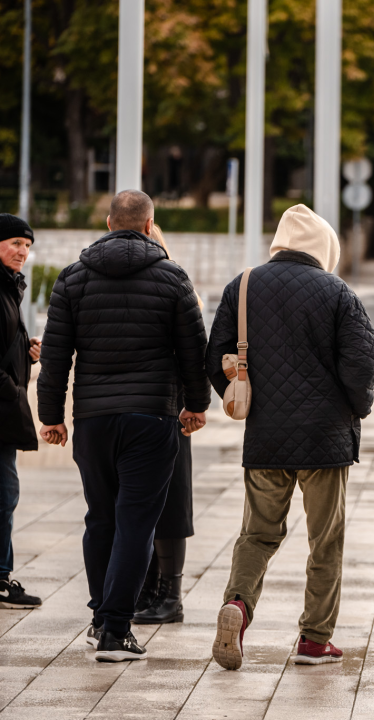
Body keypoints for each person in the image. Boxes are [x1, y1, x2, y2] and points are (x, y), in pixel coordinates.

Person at [37, 190, 210, 663]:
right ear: (151, 225)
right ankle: (115, 630)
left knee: (101, 517)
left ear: (110, 223)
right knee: (137, 523)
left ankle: (100, 618)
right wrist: (196, 405)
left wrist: (51, 415)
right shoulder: (172, 277)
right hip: (152, 419)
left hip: (93, 419)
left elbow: (55, 357)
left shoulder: (72, 278)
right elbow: (193, 352)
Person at [205, 204, 374, 670]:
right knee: (326, 542)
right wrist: (356, 407)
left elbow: (213, 356)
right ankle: (313, 640)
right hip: (325, 439)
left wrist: (237, 396)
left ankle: (238, 607)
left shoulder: (241, 287)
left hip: (265, 437)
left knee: (258, 534)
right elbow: (362, 361)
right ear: (324, 247)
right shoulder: (337, 292)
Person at [131, 224, 200, 626]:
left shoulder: (175, 284)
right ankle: (150, 589)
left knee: (170, 505)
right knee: (150, 506)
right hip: (164, 409)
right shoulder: (175, 283)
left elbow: (193, 350)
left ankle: (169, 595)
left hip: (171, 411)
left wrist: (194, 404)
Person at [0, 214, 42, 610]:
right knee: (4, 494)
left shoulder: (10, 289)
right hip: (1, 411)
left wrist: (24, 353)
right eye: (15, 243)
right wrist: (12, 391)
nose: (23, 252)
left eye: (27, 246)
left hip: (5, 410)